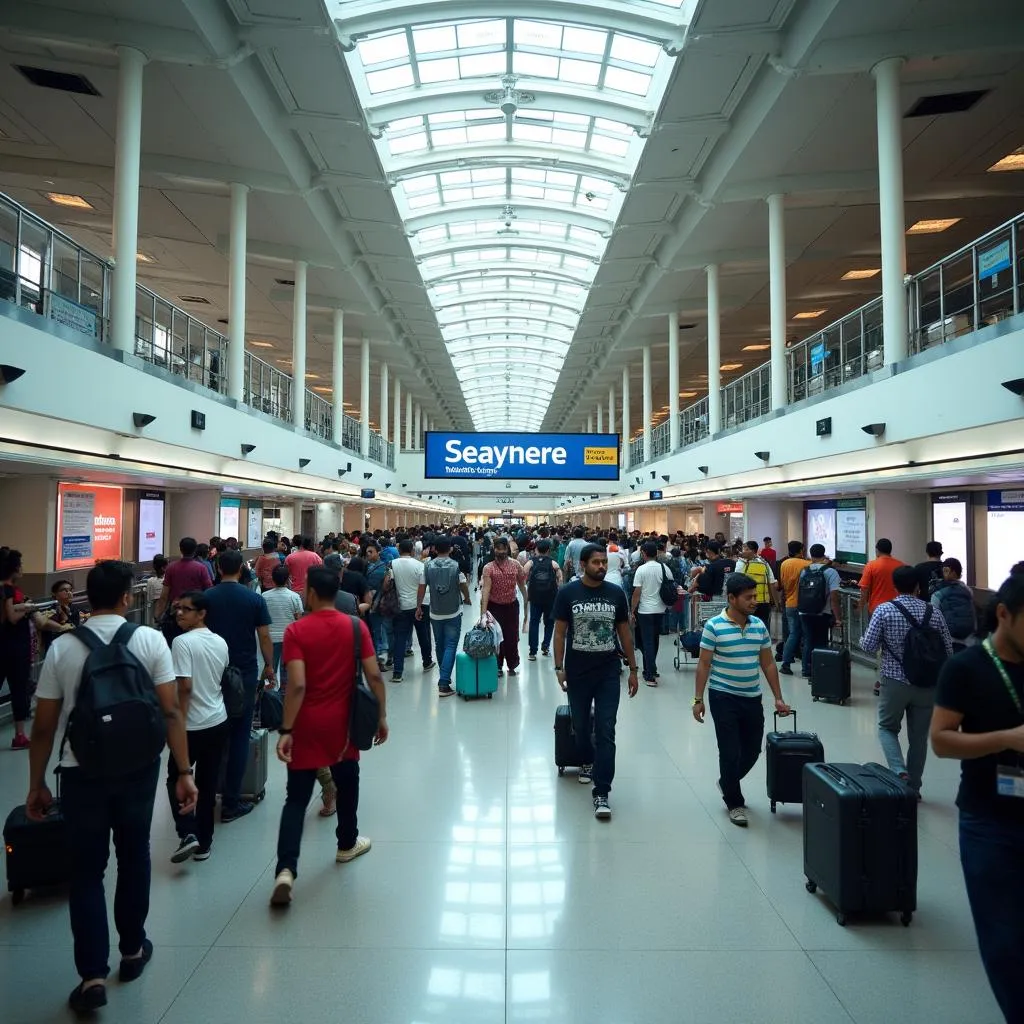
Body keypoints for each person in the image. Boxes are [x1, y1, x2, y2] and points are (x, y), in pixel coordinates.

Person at [26, 560, 197, 1015]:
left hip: (79, 771)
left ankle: (92, 976)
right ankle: (133, 949)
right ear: (126, 597)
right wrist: (183, 771)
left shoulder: (63, 648)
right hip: (139, 769)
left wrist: (36, 783)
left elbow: (43, 727)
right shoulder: (149, 640)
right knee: (134, 856)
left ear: (87, 597)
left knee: (86, 871)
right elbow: (171, 713)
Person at [930, 573, 1024, 1022]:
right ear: (1003, 614)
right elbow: (942, 741)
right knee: (1004, 940)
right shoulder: (966, 668)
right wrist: (1008, 739)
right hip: (990, 819)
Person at [270, 568, 388, 906]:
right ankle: (346, 844)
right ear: (337, 592)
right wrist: (381, 716)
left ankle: (286, 869)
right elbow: (374, 677)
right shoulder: (355, 627)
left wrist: (286, 730)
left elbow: (297, 685)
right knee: (348, 782)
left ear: (309, 593)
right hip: (344, 725)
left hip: (306, 724)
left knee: (295, 800)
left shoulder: (296, 631)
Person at [692, 573, 792, 827]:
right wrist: (698, 698)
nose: (754, 602)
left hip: (751, 696)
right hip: (722, 695)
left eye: (755, 597)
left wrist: (778, 697)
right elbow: (704, 663)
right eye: (748, 598)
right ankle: (734, 802)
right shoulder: (714, 625)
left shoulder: (758, 625)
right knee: (729, 750)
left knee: (752, 750)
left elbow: (768, 663)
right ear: (731, 598)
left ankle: (727, 781)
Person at [552, 543, 639, 820]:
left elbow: (624, 632)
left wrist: (634, 668)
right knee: (580, 725)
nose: (602, 566)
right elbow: (560, 633)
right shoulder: (568, 593)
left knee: (606, 729)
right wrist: (558, 667)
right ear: (583, 565)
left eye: (604, 562)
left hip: (607, 672)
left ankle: (602, 790)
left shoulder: (615, 594)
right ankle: (587, 760)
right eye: (596, 562)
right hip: (577, 671)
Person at [861, 565, 953, 797]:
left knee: (886, 727)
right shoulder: (934, 612)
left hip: (895, 681)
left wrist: (865, 640)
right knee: (919, 738)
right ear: (917, 587)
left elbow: (869, 646)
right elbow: (948, 650)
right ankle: (914, 788)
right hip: (927, 683)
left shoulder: (885, 610)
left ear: (894, 586)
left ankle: (899, 771)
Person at [203, 549, 275, 822]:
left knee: (211, 734)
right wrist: (269, 667)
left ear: (219, 568)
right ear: (243, 570)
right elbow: (265, 636)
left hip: (210, 672)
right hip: (243, 673)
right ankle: (231, 802)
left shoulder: (206, 598)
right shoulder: (253, 599)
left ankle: (207, 798)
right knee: (240, 736)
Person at [167, 590, 230, 862]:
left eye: (187, 609)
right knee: (207, 781)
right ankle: (204, 842)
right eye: (178, 608)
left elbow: (185, 687)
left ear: (202, 614)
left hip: (190, 725)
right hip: (217, 719)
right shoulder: (220, 642)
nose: (180, 613)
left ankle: (187, 831)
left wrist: (176, 721)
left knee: (176, 776)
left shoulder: (182, 642)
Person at [1, 549, 73, 748]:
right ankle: (20, 735)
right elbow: (12, 617)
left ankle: (20, 734)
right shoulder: (7, 590)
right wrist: (26, 608)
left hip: (10, 647)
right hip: (14, 648)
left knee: (19, 689)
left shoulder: (9, 590)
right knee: (19, 689)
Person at [421, 537, 470, 697]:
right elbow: (463, 584)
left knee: (439, 644)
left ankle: (444, 675)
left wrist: (418, 606)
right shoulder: (456, 566)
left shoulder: (427, 566)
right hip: (453, 611)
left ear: (434, 549)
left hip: (435, 611)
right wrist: (467, 597)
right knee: (450, 645)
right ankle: (443, 683)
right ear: (450, 549)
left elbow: (422, 587)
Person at [859, 538, 906, 695]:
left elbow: (864, 589)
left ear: (877, 550)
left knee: (880, 647)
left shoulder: (872, 565)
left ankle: (881, 681)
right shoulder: (901, 565)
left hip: (877, 611)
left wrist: (861, 606)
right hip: (900, 611)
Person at [630, 540, 681, 685]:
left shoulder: (641, 570)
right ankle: (651, 668)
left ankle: (650, 675)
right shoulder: (664, 568)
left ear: (644, 554)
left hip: (645, 611)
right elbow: (672, 586)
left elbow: (637, 593)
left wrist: (632, 610)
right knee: (654, 640)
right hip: (661, 610)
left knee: (646, 642)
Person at [481, 536, 528, 677]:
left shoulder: (515, 565)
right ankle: (498, 666)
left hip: (512, 606)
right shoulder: (488, 568)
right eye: (498, 549)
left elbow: (521, 584)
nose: (501, 552)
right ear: (493, 550)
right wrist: (483, 613)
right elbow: (486, 591)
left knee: (512, 637)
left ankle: (512, 665)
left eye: (503, 549)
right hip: (494, 608)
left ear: (507, 549)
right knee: (497, 638)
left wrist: (526, 601)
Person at [797, 543, 843, 679]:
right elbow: (834, 597)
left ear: (811, 555)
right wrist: (838, 617)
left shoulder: (805, 570)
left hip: (804, 611)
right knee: (821, 641)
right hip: (823, 612)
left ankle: (806, 670)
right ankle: (819, 670)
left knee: (808, 640)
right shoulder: (831, 572)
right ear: (824, 554)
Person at [155, 538, 213, 644]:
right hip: (195, 613)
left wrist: (158, 615)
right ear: (195, 550)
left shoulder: (171, 568)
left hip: (176, 613)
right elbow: (209, 590)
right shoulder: (201, 568)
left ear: (180, 549)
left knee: (174, 644)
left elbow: (164, 595)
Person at [388, 538, 428, 683]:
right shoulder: (419, 565)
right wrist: (419, 606)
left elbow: (387, 583)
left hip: (399, 606)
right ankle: (427, 661)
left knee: (400, 638)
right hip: (416, 605)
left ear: (399, 550)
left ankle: (397, 673)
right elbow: (422, 587)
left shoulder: (392, 564)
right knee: (423, 635)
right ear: (412, 550)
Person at [263, 563, 303, 689]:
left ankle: (271, 694)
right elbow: (299, 620)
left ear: (272, 578)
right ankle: (285, 693)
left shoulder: (264, 596)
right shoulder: (294, 597)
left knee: (271, 668)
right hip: (289, 638)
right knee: (286, 669)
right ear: (288, 579)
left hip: (270, 639)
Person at [525, 538, 562, 660]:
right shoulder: (553, 563)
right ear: (548, 550)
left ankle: (532, 652)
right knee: (549, 622)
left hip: (535, 597)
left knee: (534, 622)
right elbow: (560, 579)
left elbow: (523, 575)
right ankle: (545, 647)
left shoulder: (531, 562)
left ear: (536, 549)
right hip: (550, 597)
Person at [778, 540, 811, 675]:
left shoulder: (784, 563)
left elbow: (782, 584)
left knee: (793, 634)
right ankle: (805, 668)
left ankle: (786, 664)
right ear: (801, 550)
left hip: (789, 603)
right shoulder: (807, 564)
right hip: (804, 605)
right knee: (807, 635)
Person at [931, 557, 977, 650]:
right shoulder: (968, 591)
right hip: (969, 640)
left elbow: (935, 621)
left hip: (949, 641)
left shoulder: (937, 595)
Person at [735, 539, 780, 631]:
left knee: (759, 627)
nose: (743, 551)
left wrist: (776, 602)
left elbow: (771, 584)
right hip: (749, 602)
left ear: (752, 551)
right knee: (754, 627)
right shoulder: (742, 563)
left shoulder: (763, 563)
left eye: (745, 549)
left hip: (760, 603)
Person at [145, 556, 167, 621]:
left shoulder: (150, 581)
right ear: (163, 568)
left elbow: (149, 598)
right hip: (163, 614)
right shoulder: (167, 581)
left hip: (153, 614)